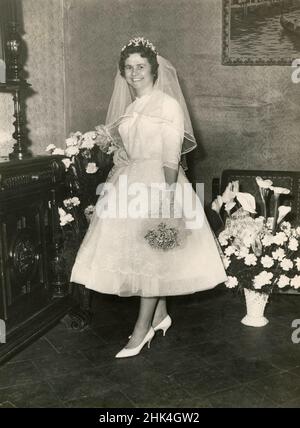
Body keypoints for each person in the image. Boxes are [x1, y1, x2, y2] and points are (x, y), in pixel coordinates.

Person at [70, 37, 227, 358]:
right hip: (131, 185)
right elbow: (129, 153)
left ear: (154, 70)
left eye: (140, 66)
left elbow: (170, 158)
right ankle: (160, 316)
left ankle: (141, 331)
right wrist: (114, 151)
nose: (133, 73)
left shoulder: (167, 105)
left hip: (160, 185)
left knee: (152, 257)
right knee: (144, 255)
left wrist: (167, 201)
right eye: (128, 68)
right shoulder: (131, 108)